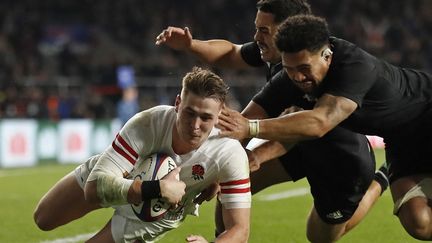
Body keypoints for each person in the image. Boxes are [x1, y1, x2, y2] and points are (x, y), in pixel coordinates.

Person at [156, 1, 388, 242]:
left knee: (319, 237)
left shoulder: (313, 65)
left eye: (264, 30)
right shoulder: (273, 54)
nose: (256, 36)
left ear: (288, 30)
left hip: (341, 161)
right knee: (231, 185)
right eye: (257, 28)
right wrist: (191, 45)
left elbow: (302, 127)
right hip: (296, 148)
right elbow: (231, 53)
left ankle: (382, 179)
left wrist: (255, 156)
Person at [217, 13, 432, 241]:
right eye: (289, 68)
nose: (297, 76)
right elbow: (243, 120)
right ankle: (381, 180)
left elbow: (319, 122)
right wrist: (218, 169)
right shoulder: (290, 77)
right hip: (401, 139)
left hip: (428, 118)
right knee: (419, 224)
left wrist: (251, 128)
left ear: (327, 55)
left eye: (304, 67)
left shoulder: (355, 66)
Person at [34, 67, 251, 243]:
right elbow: (93, 188)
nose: (195, 125)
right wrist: (158, 188)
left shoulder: (229, 152)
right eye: (189, 113)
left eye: (205, 117)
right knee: (43, 218)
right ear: (177, 104)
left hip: (157, 212)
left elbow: (240, 229)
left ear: (219, 114)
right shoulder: (148, 122)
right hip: (120, 177)